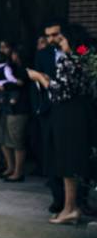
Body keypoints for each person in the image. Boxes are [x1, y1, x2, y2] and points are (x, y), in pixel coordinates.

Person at [27, 27, 92, 224]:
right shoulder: (84, 60)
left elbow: (59, 93)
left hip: (65, 114)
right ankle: (72, 206)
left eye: (62, 39)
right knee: (73, 158)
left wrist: (40, 79)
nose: (59, 43)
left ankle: (70, 208)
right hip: (80, 113)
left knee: (65, 160)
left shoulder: (67, 59)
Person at [33, 21, 65, 213]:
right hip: (49, 110)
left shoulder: (79, 47)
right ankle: (58, 198)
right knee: (51, 153)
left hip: (72, 110)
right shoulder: (42, 54)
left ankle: (79, 199)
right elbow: (36, 81)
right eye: (48, 36)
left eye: (55, 35)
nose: (52, 39)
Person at [0, 43, 30, 182]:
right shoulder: (9, 67)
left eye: (15, 53)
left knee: (16, 141)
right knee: (3, 139)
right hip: (5, 106)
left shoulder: (25, 69)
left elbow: (20, 84)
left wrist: (3, 85)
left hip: (19, 108)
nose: (12, 55)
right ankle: (10, 167)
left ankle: (18, 171)